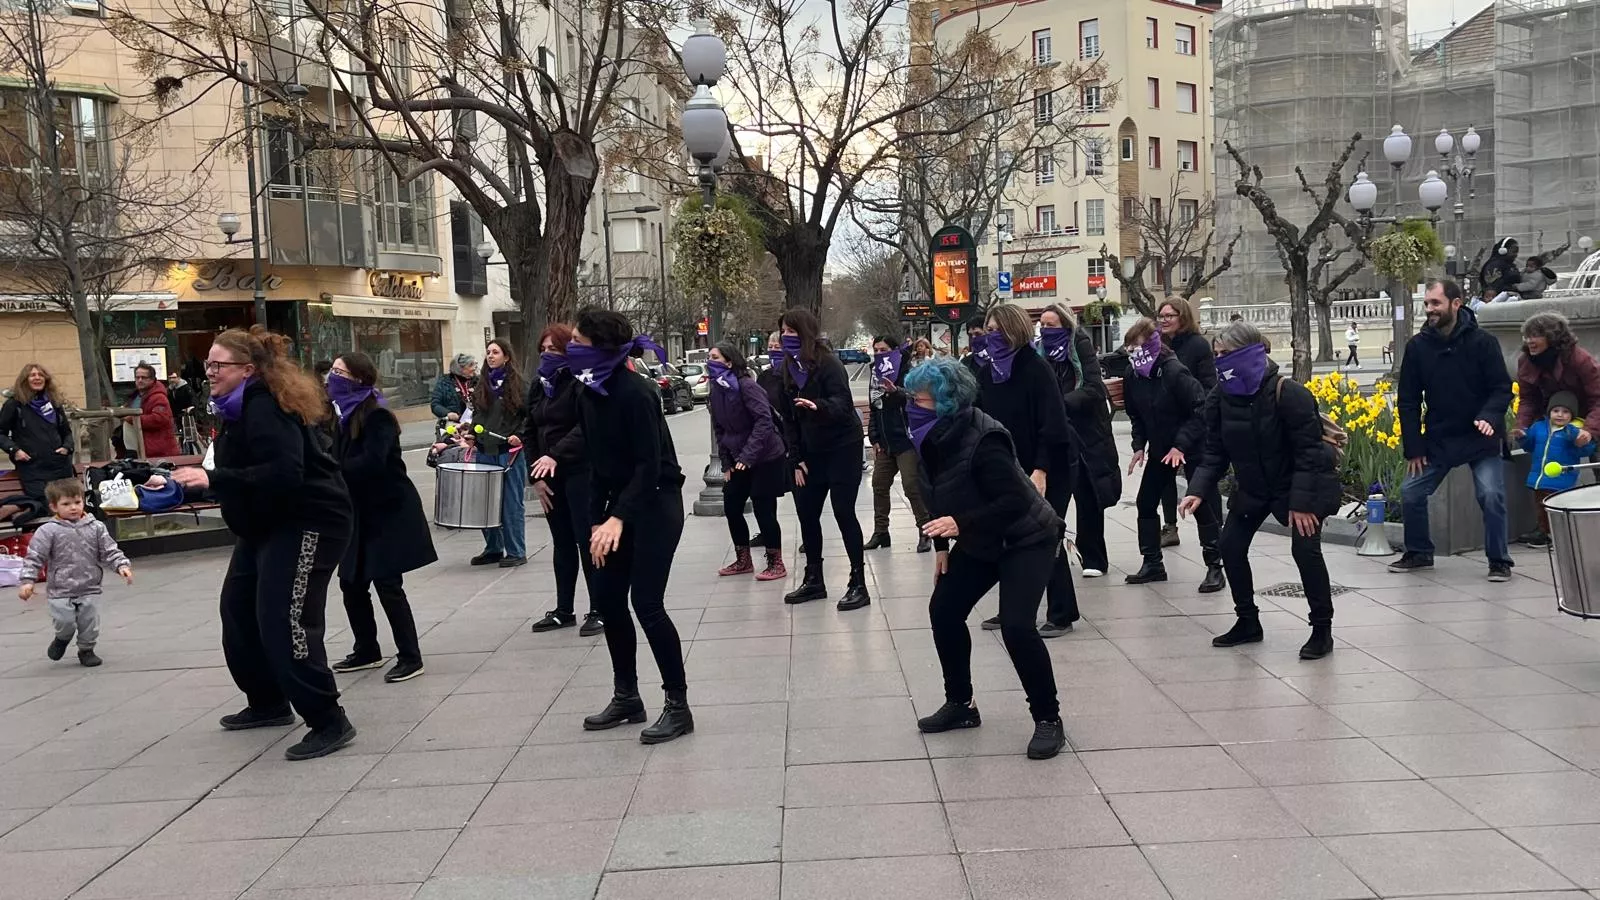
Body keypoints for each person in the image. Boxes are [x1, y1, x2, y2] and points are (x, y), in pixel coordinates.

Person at [169, 326, 357, 761]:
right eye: (208, 363)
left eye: (219, 365)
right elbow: (244, 474)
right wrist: (189, 482)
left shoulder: (265, 406)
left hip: (309, 521)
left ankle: (329, 719)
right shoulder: (234, 408)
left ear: (248, 370)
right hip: (265, 523)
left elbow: (285, 474)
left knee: (284, 619)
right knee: (238, 610)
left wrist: (212, 479)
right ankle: (268, 700)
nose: (210, 371)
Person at [905, 358, 1067, 760]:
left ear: (944, 402)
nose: (911, 405)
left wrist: (959, 523)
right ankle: (961, 704)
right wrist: (941, 547)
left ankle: (1048, 718)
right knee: (945, 610)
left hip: (1026, 537)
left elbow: (1014, 500)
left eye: (918, 399)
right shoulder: (930, 436)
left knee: (1017, 626)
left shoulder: (985, 440)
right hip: (982, 537)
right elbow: (933, 492)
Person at [1181, 322, 1343, 659]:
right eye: (1216, 355)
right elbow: (1214, 451)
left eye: (1225, 354)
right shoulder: (1221, 396)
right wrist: (1197, 489)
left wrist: (1301, 503)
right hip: (1253, 488)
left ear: (1247, 353)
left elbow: (1309, 454)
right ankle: (1247, 622)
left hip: (1298, 487)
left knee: (1305, 552)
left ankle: (1321, 630)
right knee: (1230, 546)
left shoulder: (1289, 393)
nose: (1219, 361)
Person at [567, 309, 692, 743]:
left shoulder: (638, 393)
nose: (570, 349)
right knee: (607, 599)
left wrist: (618, 517)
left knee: (647, 603)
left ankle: (678, 705)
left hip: (656, 503)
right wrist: (595, 523)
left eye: (578, 343)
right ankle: (627, 697)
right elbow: (596, 465)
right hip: (615, 509)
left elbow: (649, 466)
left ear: (602, 349)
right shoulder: (587, 393)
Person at [1390, 279, 1515, 581]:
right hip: (1440, 438)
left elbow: (1501, 388)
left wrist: (1489, 416)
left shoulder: (1483, 342)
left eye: (1436, 303)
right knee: (1411, 492)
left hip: (1481, 437)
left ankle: (1499, 561)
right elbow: (1408, 401)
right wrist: (1414, 448)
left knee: (1491, 494)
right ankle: (1419, 552)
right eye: (1427, 304)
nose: (1430, 309)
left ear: (1456, 304)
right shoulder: (1418, 347)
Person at [326, 352, 434, 683]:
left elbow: (372, 463)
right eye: (332, 371)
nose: (332, 378)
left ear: (358, 379)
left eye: (339, 372)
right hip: (358, 513)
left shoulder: (378, 416)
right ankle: (367, 649)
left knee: (388, 584)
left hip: (388, 511)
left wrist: (333, 472)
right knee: (351, 582)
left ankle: (410, 656)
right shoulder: (342, 415)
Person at [973, 304, 1079, 637]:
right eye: (988, 331)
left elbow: (1053, 425)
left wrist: (1041, 470)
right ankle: (1014, 610)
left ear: (1013, 331)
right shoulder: (987, 373)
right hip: (1011, 469)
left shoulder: (1036, 368)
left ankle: (1062, 612)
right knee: (1010, 539)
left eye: (997, 331)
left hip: (1048, 467)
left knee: (1046, 535)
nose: (991, 337)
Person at [777, 309, 870, 610]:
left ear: (806, 333)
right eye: (783, 331)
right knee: (806, 512)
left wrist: (818, 406)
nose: (786, 337)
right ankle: (814, 579)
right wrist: (796, 458)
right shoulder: (788, 368)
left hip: (842, 447)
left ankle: (858, 582)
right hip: (810, 452)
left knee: (843, 512)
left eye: (792, 332)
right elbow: (788, 418)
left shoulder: (828, 363)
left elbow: (844, 404)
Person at [527, 324, 604, 635]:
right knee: (561, 543)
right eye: (543, 350)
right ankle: (563, 610)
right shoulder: (539, 385)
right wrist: (535, 475)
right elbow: (530, 429)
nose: (547, 354)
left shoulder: (580, 381)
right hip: (549, 476)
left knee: (586, 540)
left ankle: (599, 608)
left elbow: (585, 427)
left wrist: (555, 455)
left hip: (579, 470)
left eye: (553, 349)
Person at [1121, 318, 1210, 586]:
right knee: (1146, 501)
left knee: (1200, 503)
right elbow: (1136, 414)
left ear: (1152, 345)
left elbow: (1200, 410)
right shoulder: (1133, 374)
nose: (1133, 353)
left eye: (1137, 347)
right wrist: (1139, 445)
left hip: (1191, 446)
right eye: (1129, 349)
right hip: (1161, 448)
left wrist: (1180, 445)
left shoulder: (1174, 371)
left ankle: (1215, 564)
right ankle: (1152, 563)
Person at [1037, 302, 1119, 578]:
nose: (1046, 330)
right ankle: (1050, 556)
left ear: (1065, 325)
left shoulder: (1080, 345)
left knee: (1088, 498)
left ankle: (1093, 557)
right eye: (1042, 325)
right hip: (1056, 433)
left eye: (1051, 325)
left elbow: (1094, 388)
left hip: (1086, 434)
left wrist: (1061, 404)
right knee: (1052, 499)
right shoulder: (1040, 353)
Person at [19, 478, 133, 668]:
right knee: (65, 622)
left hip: (89, 586)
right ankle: (62, 638)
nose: (73, 507)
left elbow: (109, 550)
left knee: (89, 622)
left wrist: (121, 566)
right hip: (60, 588)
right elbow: (35, 556)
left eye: (77, 502)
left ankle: (86, 649)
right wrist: (27, 581)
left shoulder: (96, 527)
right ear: (54, 506)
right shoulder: (48, 531)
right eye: (66, 504)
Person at [708, 340, 788, 580]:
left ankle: (776, 562)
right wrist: (726, 463)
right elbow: (719, 429)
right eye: (709, 357)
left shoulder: (747, 386)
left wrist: (748, 455)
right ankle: (743, 560)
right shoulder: (716, 389)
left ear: (729, 362)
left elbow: (764, 421)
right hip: (738, 457)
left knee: (764, 508)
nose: (710, 362)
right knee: (732, 506)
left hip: (765, 456)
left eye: (715, 358)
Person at [1154, 296, 1218, 554]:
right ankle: (1170, 526)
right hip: (1167, 425)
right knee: (1164, 481)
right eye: (1161, 316)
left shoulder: (1198, 345)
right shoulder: (1159, 344)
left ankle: (1215, 534)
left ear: (1183, 317)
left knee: (1200, 480)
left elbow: (1209, 385)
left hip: (1195, 423)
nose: (1164, 320)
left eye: (1169, 316)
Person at [866, 335, 932, 553]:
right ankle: (881, 532)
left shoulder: (909, 371)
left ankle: (925, 530)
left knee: (912, 486)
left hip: (906, 440)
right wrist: (874, 437)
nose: (879, 354)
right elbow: (875, 407)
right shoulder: (875, 373)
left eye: (883, 350)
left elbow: (915, 399)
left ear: (894, 350)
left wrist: (896, 392)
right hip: (885, 442)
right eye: (876, 350)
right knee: (879, 485)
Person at [470, 340, 529, 568]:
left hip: (508, 452)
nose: (490, 356)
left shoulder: (519, 385)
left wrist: (520, 435)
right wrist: (472, 434)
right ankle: (494, 548)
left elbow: (529, 416)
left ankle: (516, 551)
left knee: (511, 503)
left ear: (507, 357)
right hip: (485, 450)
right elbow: (478, 415)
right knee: (485, 502)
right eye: (488, 352)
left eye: (495, 352)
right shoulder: (483, 384)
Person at [1512, 312, 1600, 452]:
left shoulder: (1580, 359)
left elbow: (1597, 399)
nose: (1529, 341)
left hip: (1585, 416)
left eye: (1535, 336)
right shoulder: (1526, 361)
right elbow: (1528, 399)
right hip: (1550, 419)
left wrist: (1589, 430)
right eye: (1527, 337)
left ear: (1552, 338)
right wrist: (1521, 427)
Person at [0, 364, 75, 523]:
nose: (37, 378)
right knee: (47, 507)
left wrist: (67, 448)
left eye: (41, 375)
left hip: (59, 465)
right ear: (24, 380)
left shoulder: (53, 403)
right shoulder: (14, 404)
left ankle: (22, 508)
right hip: (33, 467)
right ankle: (19, 509)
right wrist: (15, 450)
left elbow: (66, 432)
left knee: (67, 507)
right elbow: (1, 433)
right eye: (32, 375)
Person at [1518, 391, 1584, 549]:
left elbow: (1584, 450)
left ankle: (1558, 537)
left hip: (1561, 480)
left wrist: (1580, 440)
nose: (1560, 415)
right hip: (1539, 478)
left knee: (1556, 509)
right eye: (1556, 410)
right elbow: (1529, 446)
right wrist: (1522, 437)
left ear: (1572, 415)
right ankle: (1545, 535)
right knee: (1541, 509)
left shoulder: (1572, 431)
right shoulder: (1539, 427)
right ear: (1549, 412)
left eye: (1565, 412)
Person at [127, 364, 181, 458]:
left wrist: (132, 419)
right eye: (137, 377)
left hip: (160, 453)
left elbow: (159, 419)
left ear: (152, 379)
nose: (140, 380)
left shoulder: (158, 397)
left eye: (144, 377)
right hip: (142, 451)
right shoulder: (136, 396)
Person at [431, 353, 477, 423]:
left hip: (475, 423)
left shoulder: (477, 381)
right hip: (453, 424)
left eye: (474, 365)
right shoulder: (444, 382)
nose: (474, 368)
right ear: (460, 368)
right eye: (470, 365)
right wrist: (448, 413)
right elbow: (435, 405)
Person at [1480, 237, 1522, 303]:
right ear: (1503, 250)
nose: (1516, 255)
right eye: (1513, 252)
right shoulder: (1494, 265)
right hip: (1499, 302)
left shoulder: (1509, 265)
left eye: (1516, 252)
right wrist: (1513, 287)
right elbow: (1493, 286)